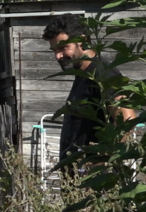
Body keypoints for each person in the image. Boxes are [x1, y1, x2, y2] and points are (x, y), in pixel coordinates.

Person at [42, 14, 136, 167]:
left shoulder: (103, 73)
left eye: (63, 47)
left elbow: (127, 120)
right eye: (54, 50)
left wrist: (101, 163)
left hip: (94, 183)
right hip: (78, 182)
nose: (58, 56)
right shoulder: (84, 75)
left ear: (83, 41)